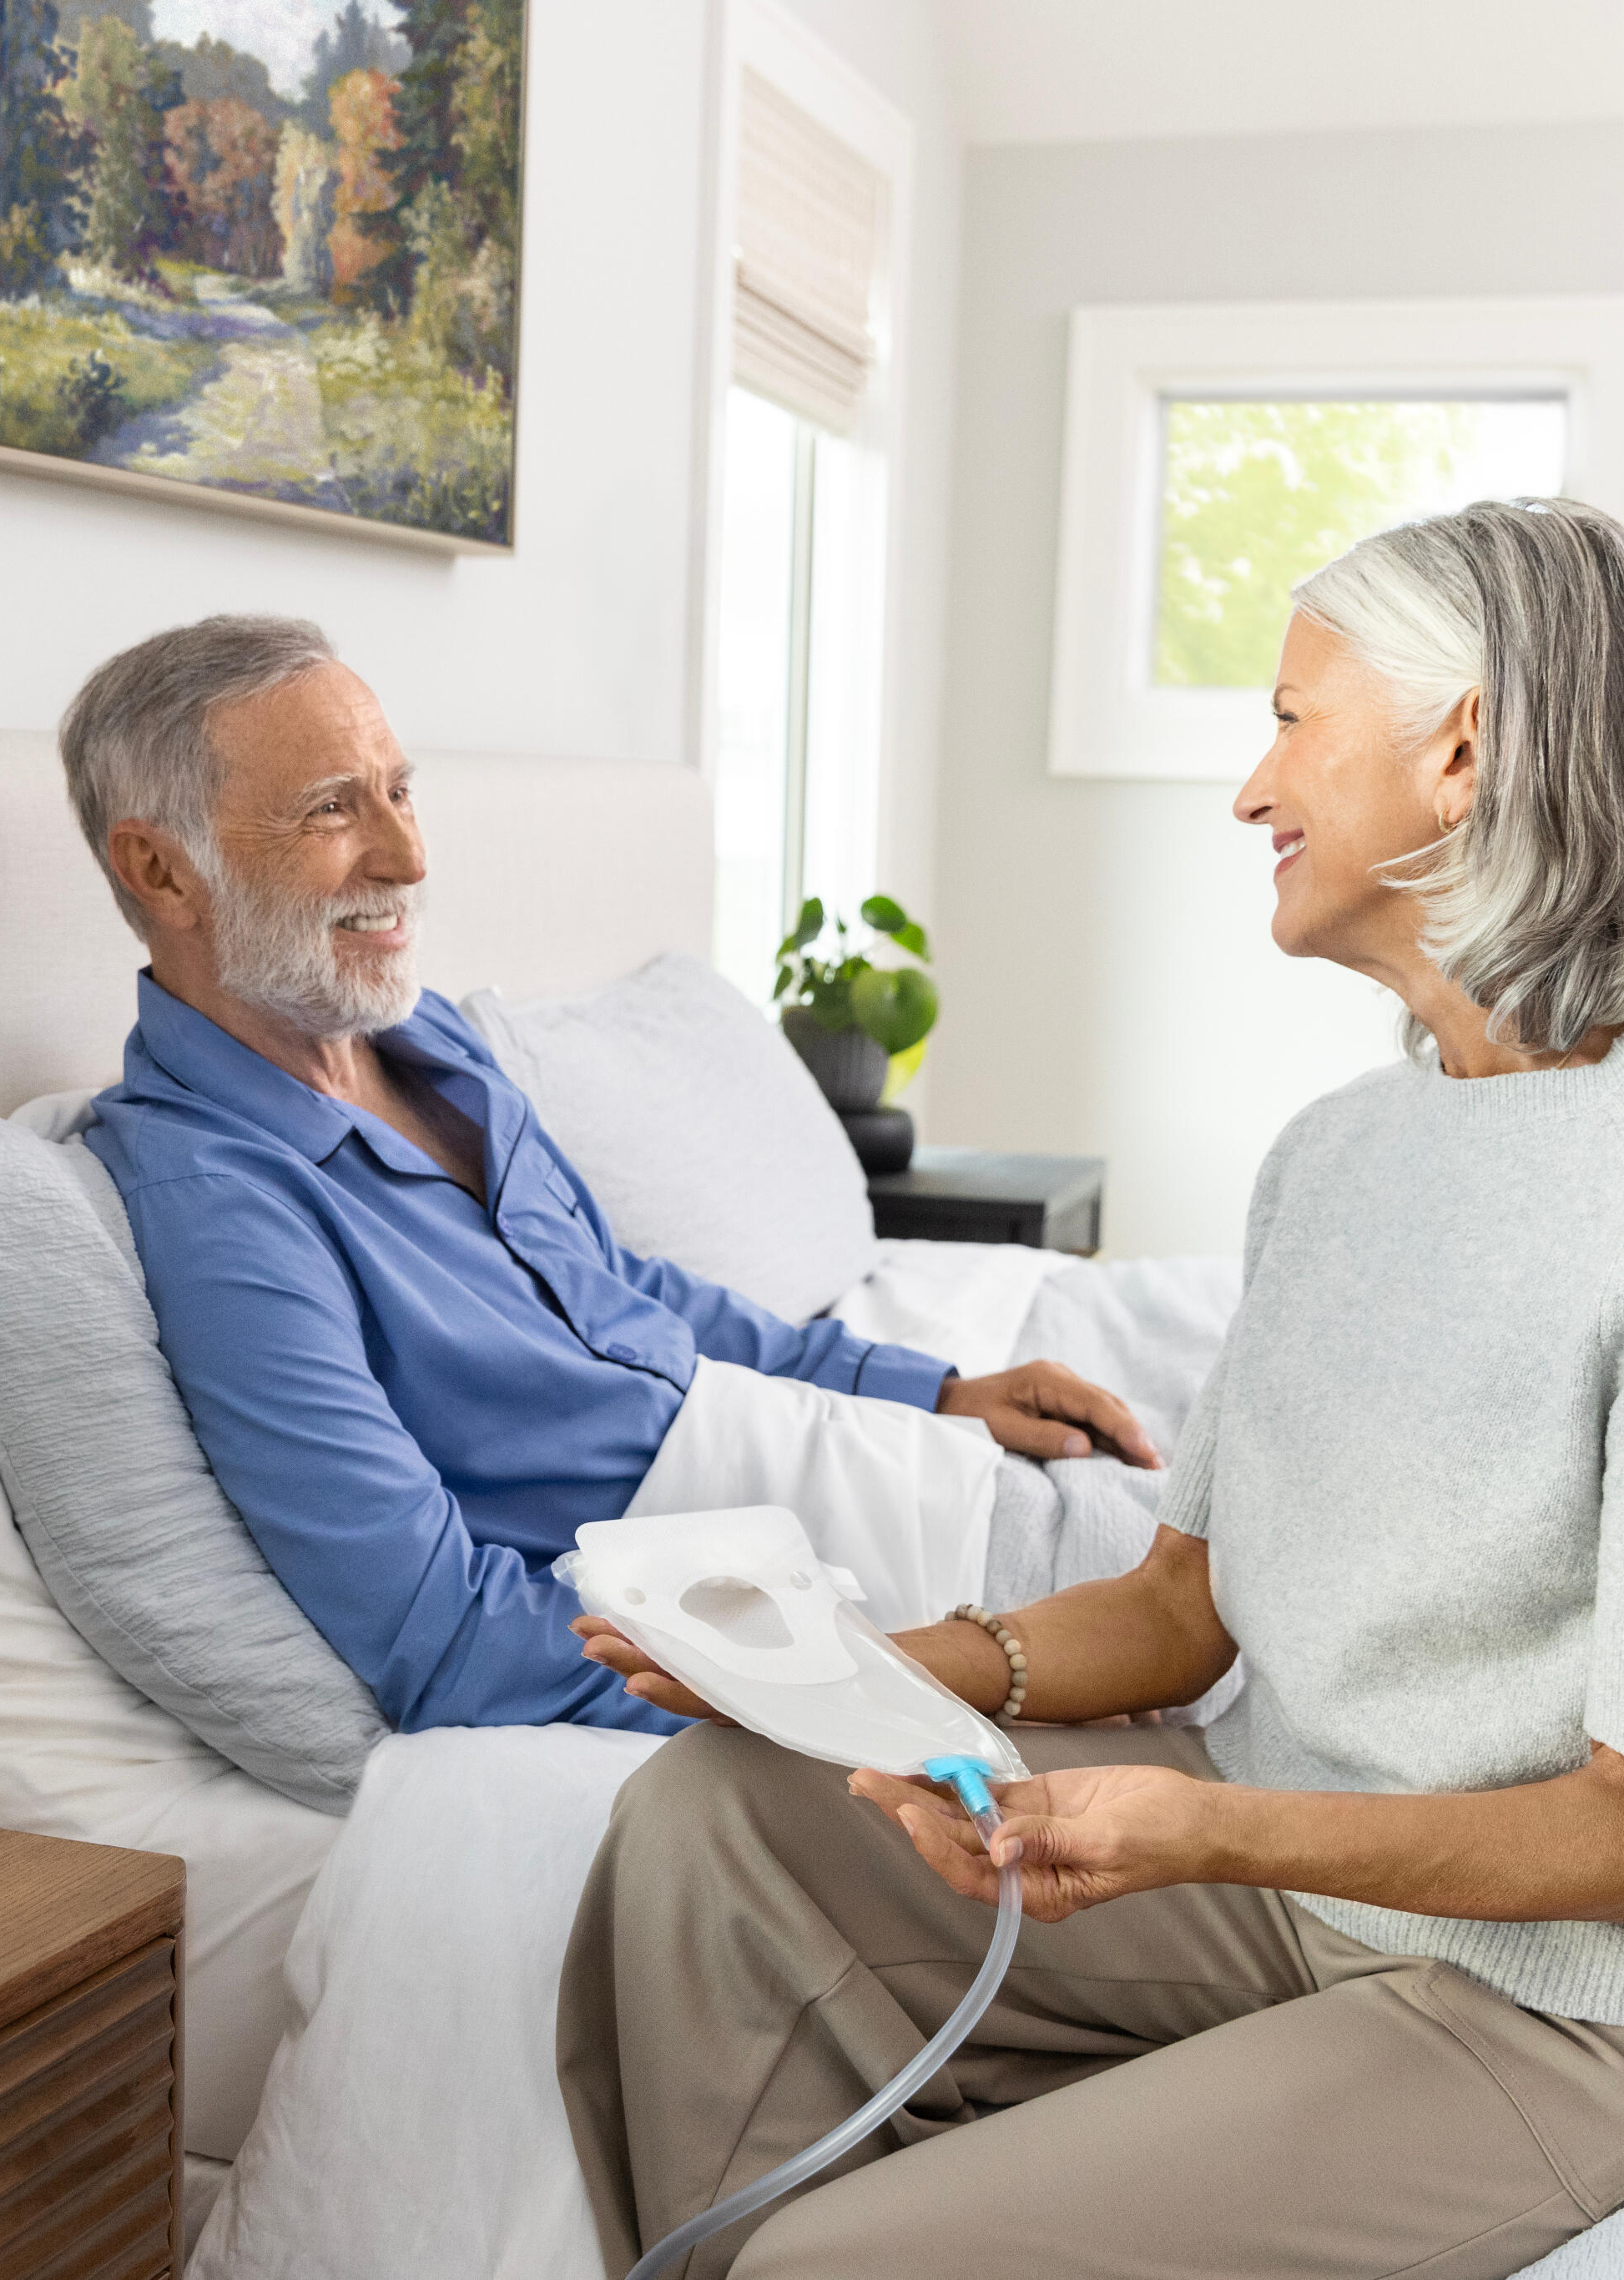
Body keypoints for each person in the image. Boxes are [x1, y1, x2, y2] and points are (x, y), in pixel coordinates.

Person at [558, 498, 1624, 2279]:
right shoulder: (1342, 1153)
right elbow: (1185, 1607)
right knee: (706, 1818)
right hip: (1302, 1879)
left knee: (848, 2266)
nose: (1248, 790)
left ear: (1461, 750)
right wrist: (828, 1676)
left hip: (1580, 1995)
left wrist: (1198, 1828)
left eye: (1290, 719)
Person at [61, 614, 1155, 1735]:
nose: (409, 857)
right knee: (1263, 1638)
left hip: (845, 1476)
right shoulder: (218, 1198)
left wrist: (931, 1389)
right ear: (161, 869)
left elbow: (625, 1297)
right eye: (333, 808)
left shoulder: (429, 1044)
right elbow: (443, 1636)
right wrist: (819, 1707)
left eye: (400, 791)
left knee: (1245, 1547)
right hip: (769, 1598)